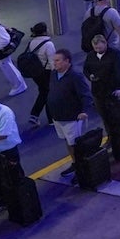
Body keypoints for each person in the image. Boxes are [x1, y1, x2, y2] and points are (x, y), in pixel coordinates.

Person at [46, 49, 95, 181]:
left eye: (57, 60)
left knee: (75, 144)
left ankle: (82, 169)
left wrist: (84, 111)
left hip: (71, 118)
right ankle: (76, 163)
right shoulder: (54, 74)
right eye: (54, 60)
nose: (54, 63)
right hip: (58, 117)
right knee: (68, 142)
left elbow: (86, 95)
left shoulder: (75, 76)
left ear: (67, 61)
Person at [82, 34, 120, 122]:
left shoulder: (114, 54)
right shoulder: (91, 55)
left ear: (105, 44)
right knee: (104, 117)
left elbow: (119, 71)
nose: (98, 50)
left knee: (116, 116)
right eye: (95, 48)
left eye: (100, 48)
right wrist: (89, 76)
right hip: (97, 91)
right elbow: (86, 69)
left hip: (112, 90)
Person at [19, 24, 54, 126]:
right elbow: (52, 61)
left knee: (43, 92)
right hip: (46, 72)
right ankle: (50, 118)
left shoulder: (32, 42)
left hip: (35, 72)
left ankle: (35, 115)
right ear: (44, 31)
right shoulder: (48, 44)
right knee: (48, 93)